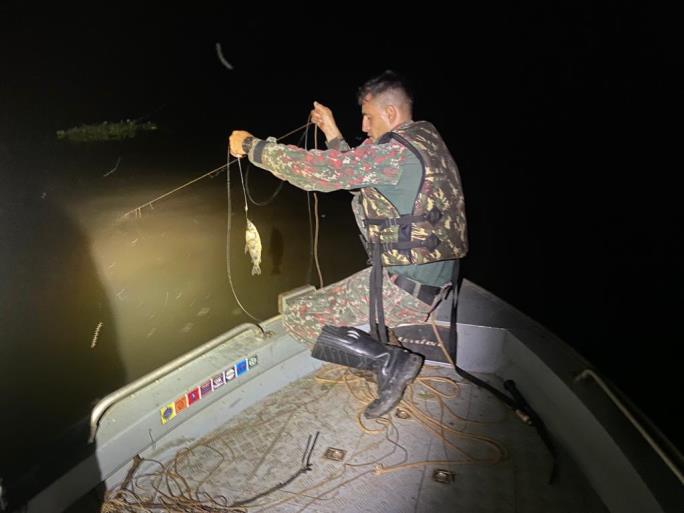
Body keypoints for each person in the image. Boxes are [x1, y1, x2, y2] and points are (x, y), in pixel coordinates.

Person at [229, 70, 467, 418]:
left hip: (405, 288)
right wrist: (332, 133)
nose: (365, 126)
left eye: (368, 117)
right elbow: (360, 174)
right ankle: (378, 359)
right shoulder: (424, 138)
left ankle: (389, 361)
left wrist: (252, 147)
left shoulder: (393, 154)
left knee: (299, 317)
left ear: (390, 114)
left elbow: (321, 173)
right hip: (435, 280)